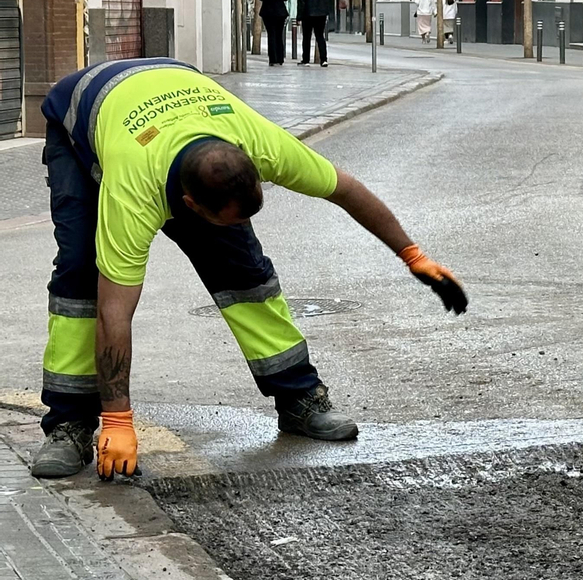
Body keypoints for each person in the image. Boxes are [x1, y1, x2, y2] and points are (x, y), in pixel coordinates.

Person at [27, 58, 469, 481]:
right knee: (82, 276)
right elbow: (115, 311)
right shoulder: (134, 189)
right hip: (82, 119)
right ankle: (70, 424)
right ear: (190, 205)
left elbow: (347, 191)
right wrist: (118, 419)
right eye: (224, 217)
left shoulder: (260, 142)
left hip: (174, 89)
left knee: (244, 271)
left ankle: (298, 397)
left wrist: (413, 256)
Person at [296, 0, 333, 68]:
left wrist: (299, 17)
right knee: (320, 36)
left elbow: (301, 2)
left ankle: (306, 60)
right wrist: (328, 12)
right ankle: (324, 59)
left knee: (306, 37)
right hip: (321, 14)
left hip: (308, 15)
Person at [258, 0, 289, 66]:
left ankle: (272, 59)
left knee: (271, 35)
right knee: (279, 35)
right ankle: (280, 58)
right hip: (280, 13)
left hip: (267, 13)